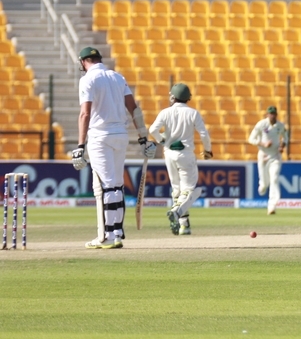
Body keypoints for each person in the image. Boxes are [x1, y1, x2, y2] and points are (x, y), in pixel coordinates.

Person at [71, 46, 156, 249]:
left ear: (83, 62)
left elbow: (85, 114)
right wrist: (144, 138)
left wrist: (80, 145)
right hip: (121, 135)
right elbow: (134, 109)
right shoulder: (118, 77)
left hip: (100, 136)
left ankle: (107, 236)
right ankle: (116, 231)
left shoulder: (88, 79)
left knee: (105, 186)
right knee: (116, 184)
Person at [148, 83, 212, 236]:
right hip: (186, 154)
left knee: (176, 189)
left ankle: (184, 225)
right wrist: (208, 150)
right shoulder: (193, 113)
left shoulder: (165, 112)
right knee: (189, 190)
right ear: (187, 98)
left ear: (173, 96)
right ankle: (176, 213)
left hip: (169, 154)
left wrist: (162, 140)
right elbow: (204, 134)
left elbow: (152, 130)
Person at [249, 106, 288, 215]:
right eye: (270, 113)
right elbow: (251, 139)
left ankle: (272, 206)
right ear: (267, 115)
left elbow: (286, 137)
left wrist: (282, 146)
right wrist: (263, 144)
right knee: (265, 184)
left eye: (274, 113)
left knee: (274, 178)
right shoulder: (261, 124)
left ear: (276, 114)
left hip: (275, 156)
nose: (272, 115)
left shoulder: (280, 126)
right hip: (263, 155)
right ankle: (262, 185)